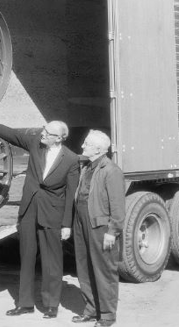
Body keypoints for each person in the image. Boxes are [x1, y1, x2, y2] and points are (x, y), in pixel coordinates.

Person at [0, 112, 80, 319]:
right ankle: (25, 303)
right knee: (26, 259)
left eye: (48, 132)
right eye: (44, 130)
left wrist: (67, 225)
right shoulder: (36, 143)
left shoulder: (71, 160)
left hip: (52, 215)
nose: (43, 133)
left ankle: (51, 304)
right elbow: (12, 135)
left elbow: (71, 194)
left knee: (51, 261)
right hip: (29, 211)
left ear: (59, 138)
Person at [71, 130, 125, 327]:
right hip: (81, 222)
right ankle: (91, 310)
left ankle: (107, 316)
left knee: (104, 271)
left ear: (99, 149)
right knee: (84, 268)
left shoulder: (111, 171)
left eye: (87, 143)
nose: (83, 145)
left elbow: (118, 207)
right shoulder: (87, 166)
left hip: (100, 226)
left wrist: (112, 232)